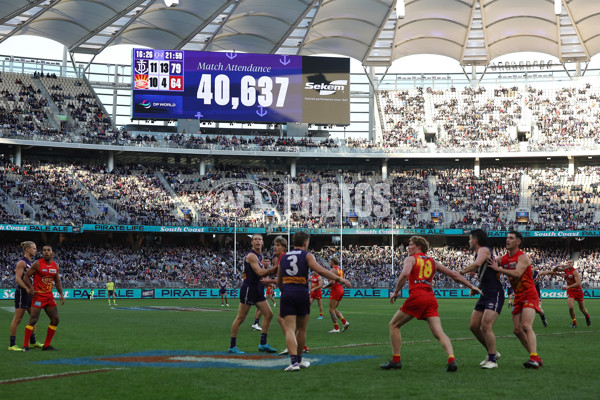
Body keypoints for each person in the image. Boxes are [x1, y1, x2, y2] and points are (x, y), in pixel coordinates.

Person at [380, 236, 482, 372]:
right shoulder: (433, 261)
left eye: (411, 245)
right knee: (439, 332)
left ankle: (396, 360)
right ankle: (451, 359)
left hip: (417, 297)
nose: (408, 247)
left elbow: (405, 274)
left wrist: (396, 292)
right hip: (430, 299)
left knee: (394, 325)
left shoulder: (411, 259)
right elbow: (454, 275)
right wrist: (472, 286)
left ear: (419, 247)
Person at [278, 231, 351, 371]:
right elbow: (320, 270)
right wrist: (340, 279)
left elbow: (279, 279)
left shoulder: (284, 257)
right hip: (302, 293)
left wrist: (285, 290)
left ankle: (294, 363)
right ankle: (299, 360)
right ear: (306, 242)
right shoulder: (307, 255)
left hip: (287, 292)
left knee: (290, 329)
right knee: (301, 329)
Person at [488, 231, 543, 369]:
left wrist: (498, 269)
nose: (507, 240)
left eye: (511, 238)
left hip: (529, 294)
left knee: (526, 326)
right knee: (517, 330)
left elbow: (518, 273)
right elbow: (488, 262)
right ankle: (536, 357)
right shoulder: (503, 259)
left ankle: (533, 358)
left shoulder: (522, 257)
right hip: (518, 296)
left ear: (518, 242)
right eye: (507, 238)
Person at [459, 229, 504, 369]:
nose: (469, 242)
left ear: (475, 240)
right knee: (473, 326)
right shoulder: (480, 252)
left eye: (469, 239)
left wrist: (461, 272)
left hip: (495, 293)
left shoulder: (483, 250)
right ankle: (493, 352)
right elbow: (486, 273)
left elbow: (477, 264)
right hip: (485, 292)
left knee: (485, 325)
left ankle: (492, 360)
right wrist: (477, 287)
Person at [228, 234, 279, 354]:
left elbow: (259, 275)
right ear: (251, 242)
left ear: (262, 242)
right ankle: (232, 346)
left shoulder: (260, 256)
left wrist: (268, 282)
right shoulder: (251, 255)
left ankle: (263, 344)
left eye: (259, 239)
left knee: (269, 314)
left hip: (258, 288)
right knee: (241, 318)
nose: (257, 241)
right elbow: (260, 272)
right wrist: (276, 268)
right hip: (249, 289)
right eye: (255, 239)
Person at [21, 245, 65, 351]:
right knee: (33, 320)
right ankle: (25, 345)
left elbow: (57, 281)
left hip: (49, 296)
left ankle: (46, 346)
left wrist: (61, 294)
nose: (46, 252)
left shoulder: (55, 265)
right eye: (44, 250)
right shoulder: (37, 263)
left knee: (55, 320)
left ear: (52, 253)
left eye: (48, 250)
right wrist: (31, 288)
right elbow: (26, 276)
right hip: (38, 296)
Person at [9, 241, 43, 351]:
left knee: (34, 317)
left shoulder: (30, 263)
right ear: (27, 249)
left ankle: (33, 342)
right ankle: (12, 345)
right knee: (18, 319)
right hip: (22, 293)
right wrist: (27, 288)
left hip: (30, 294)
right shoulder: (22, 263)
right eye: (34, 248)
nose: (36, 250)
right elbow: (18, 279)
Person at [541, 260, 590, 328]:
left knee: (582, 309)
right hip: (570, 291)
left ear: (573, 264)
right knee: (571, 307)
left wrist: (568, 287)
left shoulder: (575, 272)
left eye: (571, 262)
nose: (569, 264)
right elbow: (553, 270)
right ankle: (574, 323)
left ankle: (587, 316)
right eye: (568, 262)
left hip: (578, 291)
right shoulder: (565, 269)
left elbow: (578, 283)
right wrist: (558, 265)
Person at [323, 257, 350, 332]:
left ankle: (336, 328)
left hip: (336, 291)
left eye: (330, 262)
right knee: (333, 309)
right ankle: (345, 322)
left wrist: (325, 286)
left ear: (332, 262)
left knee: (331, 310)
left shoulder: (333, 270)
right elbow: (342, 281)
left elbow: (332, 282)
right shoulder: (341, 270)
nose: (329, 263)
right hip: (341, 289)